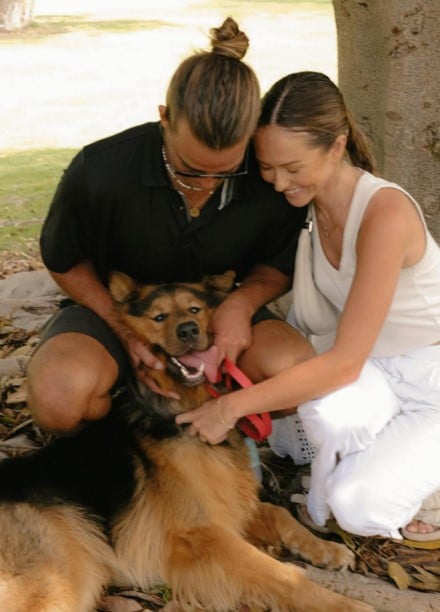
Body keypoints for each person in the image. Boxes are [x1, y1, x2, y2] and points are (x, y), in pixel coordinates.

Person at [176, 71, 440, 542]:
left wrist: (229, 409)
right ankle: (385, 460)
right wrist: (235, 302)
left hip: (427, 376)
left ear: (337, 146)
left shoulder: (385, 214)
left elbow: (343, 363)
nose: (278, 183)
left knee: (358, 508)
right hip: (375, 371)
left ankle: (419, 482)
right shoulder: (306, 204)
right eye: (268, 167)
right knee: (327, 420)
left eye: (292, 168)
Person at [26, 18, 311, 436]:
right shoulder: (102, 169)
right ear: (164, 119)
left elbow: (276, 266)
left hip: (215, 312)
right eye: (191, 169)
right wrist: (124, 327)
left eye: (227, 172)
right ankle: (127, 430)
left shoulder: (271, 174)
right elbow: (64, 260)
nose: (208, 184)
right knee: (58, 397)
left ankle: (220, 422)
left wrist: (241, 305)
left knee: (294, 372)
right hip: (119, 312)